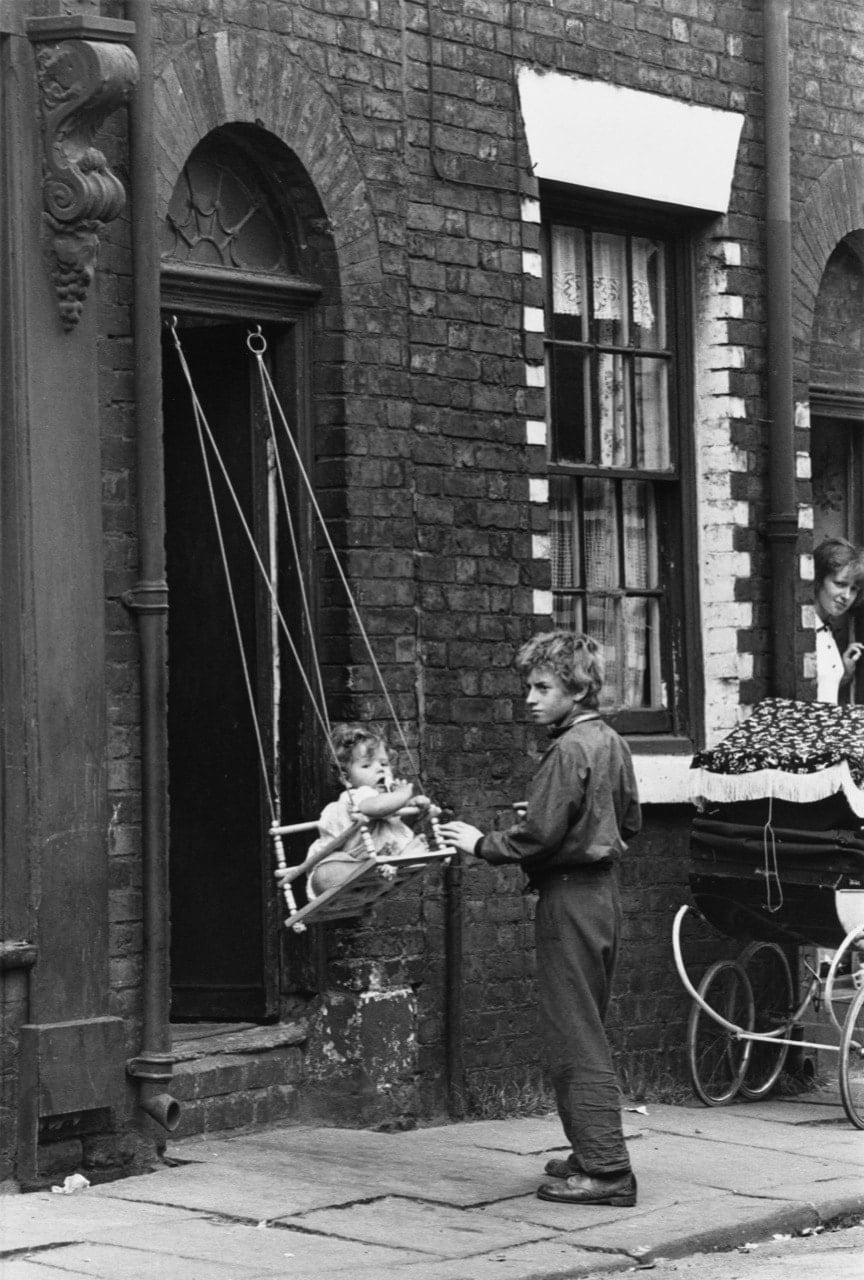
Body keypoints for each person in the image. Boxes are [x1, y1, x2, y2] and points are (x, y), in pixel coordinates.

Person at [439, 631, 641, 1208]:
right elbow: (628, 821)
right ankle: (590, 1150)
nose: (529, 697)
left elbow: (535, 837)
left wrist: (482, 843)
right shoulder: (609, 741)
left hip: (570, 898)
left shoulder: (566, 750)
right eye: (530, 685)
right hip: (603, 895)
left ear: (575, 689)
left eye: (542, 686)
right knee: (587, 1024)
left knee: (574, 1035)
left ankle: (606, 1170)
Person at [303, 723, 432, 898]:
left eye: (384, 763)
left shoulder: (388, 799)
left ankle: (394, 864)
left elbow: (397, 822)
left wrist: (414, 804)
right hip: (345, 860)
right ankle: (385, 868)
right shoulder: (356, 795)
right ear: (346, 778)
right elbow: (375, 807)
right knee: (323, 877)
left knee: (414, 846)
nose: (380, 769)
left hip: (377, 861)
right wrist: (404, 793)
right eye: (366, 765)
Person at [813, 537, 864, 703]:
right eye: (840, 584)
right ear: (819, 580)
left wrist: (844, 672)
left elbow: (823, 693)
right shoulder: (807, 630)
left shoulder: (825, 628)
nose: (847, 596)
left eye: (854, 589)